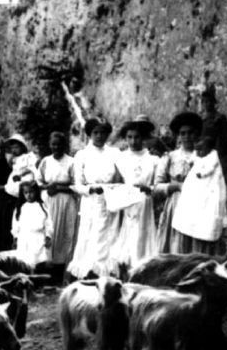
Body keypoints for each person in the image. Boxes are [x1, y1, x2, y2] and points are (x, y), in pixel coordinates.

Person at [67, 118, 121, 279]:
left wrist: (113, 188)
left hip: (108, 200)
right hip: (90, 200)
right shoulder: (82, 155)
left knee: (106, 235)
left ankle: (105, 272)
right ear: (90, 134)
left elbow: (120, 178)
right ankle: (88, 271)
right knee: (89, 234)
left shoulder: (114, 153)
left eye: (103, 132)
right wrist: (90, 189)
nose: (99, 136)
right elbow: (77, 184)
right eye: (96, 132)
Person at [110, 118, 160, 272]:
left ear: (143, 138)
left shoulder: (152, 159)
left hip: (145, 202)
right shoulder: (121, 158)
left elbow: (157, 183)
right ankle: (126, 270)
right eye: (129, 137)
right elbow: (116, 182)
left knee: (142, 234)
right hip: (128, 202)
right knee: (128, 235)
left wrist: (149, 188)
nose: (133, 141)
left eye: (136, 137)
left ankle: (141, 269)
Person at [154, 112, 202, 253]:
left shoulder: (204, 157)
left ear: (197, 133)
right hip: (176, 204)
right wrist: (175, 186)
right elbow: (156, 186)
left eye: (190, 133)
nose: (187, 137)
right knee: (176, 244)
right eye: (183, 133)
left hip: (199, 205)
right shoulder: (171, 157)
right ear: (178, 136)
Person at [172, 135, 227, 255]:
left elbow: (210, 168)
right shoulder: (199, 155)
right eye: (197, 150)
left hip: (210, 184)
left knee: (208, 206)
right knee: (192, 203)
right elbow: (192, 159)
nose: (198, 152)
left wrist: (201, 173)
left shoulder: (213, 156)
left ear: (209, 148)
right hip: (197, 185)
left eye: (201, 150)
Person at [36, 131, 78, 282]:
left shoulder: (72, 162)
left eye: (59, 144)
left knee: (64, 235)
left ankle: (60, 273)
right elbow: (39, 182)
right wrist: (48, 186)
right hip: (49, 201)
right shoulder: (45, 162)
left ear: (65, 145)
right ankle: (46, 272)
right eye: (53, 144)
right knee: (49, 233)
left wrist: (59, 187)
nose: (56, 147)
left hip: (66, 202)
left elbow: (76, 185)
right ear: (50, 145)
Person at [11, 180, 53, 268]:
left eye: (31, 192)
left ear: (36, 192)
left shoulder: (42, 206)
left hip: (38, 238)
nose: (28, 195)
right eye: (26, 193)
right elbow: (15, 225)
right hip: (24, 238)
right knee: (25, 262)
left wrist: (48, 236)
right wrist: (15, 238)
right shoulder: (20, 208)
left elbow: (48, 223)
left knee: (38, 261)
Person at [200, 86, 227, 162]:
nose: (207, 104)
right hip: (202, 154)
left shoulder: (220, 118)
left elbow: (224, 140)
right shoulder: (201, 119)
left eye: (209, 101)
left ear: (214, 102)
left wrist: (218, 155)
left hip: (215, 155)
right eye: (204, 101)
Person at [4, 134, 39, 198]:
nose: (14, 150)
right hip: (15, 178)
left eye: (16, 147)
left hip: (25, 176)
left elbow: (31, 168)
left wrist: (21, 175)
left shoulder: (27, 156)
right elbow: (13, 169)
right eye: (12, 148)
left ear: (22, 147)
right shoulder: (14, 159)